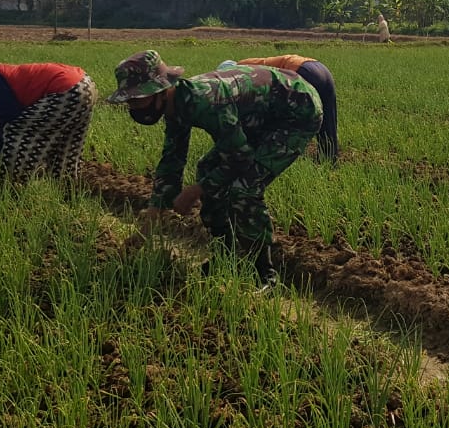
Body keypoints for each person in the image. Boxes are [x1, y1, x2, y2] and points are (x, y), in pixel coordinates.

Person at [107, 50, 323, 288]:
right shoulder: (175, 105)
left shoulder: (206, 101)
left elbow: (240, 155)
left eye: (138, 100)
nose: (133, 107)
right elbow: (172, 159)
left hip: (296, 111)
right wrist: (156, 209)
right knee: (208, 168)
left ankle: (265, 274)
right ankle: (226, 255)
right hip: (260, 114)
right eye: (130, 102)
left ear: (159, 90)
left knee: (245, 188)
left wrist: (196, 190)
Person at [0, 55, 97, 181]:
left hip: (65, 89)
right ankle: (67, 188)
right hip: (85, 85)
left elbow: (10, 120)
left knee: (15, 130)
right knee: (66, 143)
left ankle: (12, 186)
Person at [218, 55, 338, 163]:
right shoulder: (249, 63)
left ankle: (286, 157)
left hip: (300, 72)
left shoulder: (240, 71)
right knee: (328, 118)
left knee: (293, 119)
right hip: (319, 68)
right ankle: (330, 158)